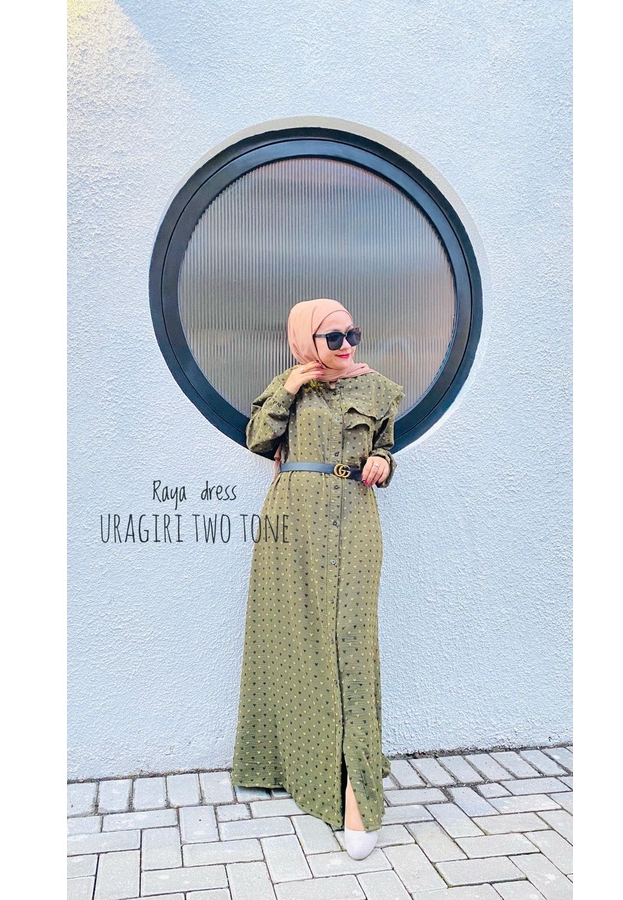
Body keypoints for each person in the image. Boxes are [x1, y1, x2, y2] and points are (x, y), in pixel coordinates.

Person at [231, 297, 405, 860]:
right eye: (333, 337)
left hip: (354, 517)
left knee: (351, 641)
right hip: (293, 521)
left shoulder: (375, 389)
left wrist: (382, 462)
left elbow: (384, 447)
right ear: (306, 340)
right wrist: (290, 387)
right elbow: (259, 440)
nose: (347, 345)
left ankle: (358, 788)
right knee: (292, 640)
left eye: (352, 333)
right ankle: (290, 763)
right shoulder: (289, 387)